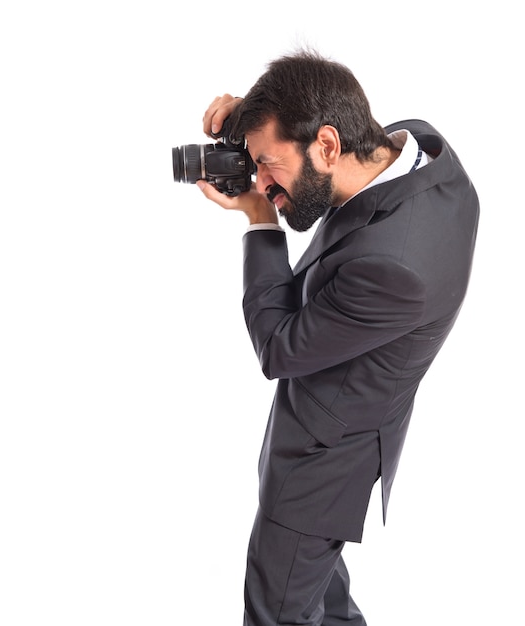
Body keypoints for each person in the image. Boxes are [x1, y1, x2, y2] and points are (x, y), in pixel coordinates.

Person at [195, 48, 479, 626]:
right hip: (346, 435)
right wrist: (254, 126)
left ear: (327, 145)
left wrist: (260, 220)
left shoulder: (396, 268)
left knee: (276, 613)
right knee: (322, 600)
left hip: (320, 468)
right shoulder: (422, 152)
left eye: (269, 165)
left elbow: (278, 347)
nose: (261, 181)